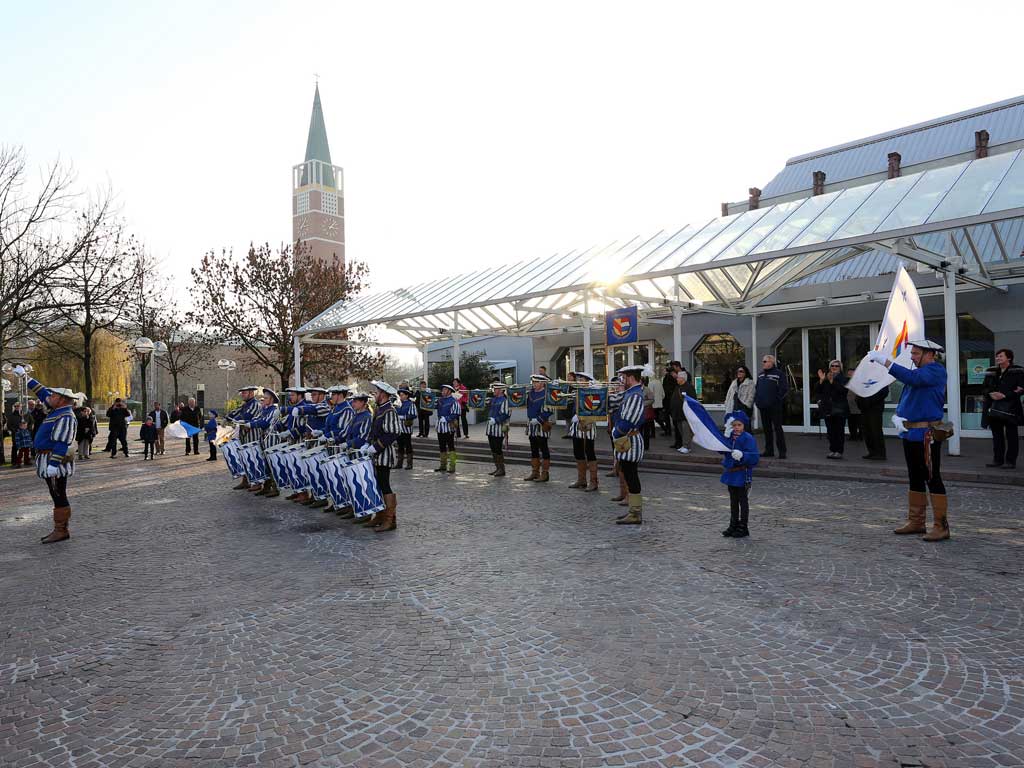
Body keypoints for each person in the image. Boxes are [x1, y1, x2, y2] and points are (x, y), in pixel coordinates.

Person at [868, 340, 950, 541]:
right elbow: (909, 397)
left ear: (930, 354)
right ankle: (917, 521)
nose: (912, 356)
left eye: (915, 353)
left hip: (926, 435)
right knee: (915, 476)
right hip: (911, 433)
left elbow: (912, 379)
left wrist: (886, 362)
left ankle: (942, 526)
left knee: (932, 477)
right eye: (912, 353)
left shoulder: (935, 370)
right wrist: (898, 415)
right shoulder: (920, 373)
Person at [16, 367, 78, 543]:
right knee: (55, 493)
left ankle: (61, 530)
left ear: (61, 399)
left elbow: (62, 442)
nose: (49, 397)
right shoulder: (57, 409)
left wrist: (54, 465)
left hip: (54, 461)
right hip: (48, 458)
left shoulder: (65, 416)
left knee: (59, 495)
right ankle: (60, 529)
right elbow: (43, 393)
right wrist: (26, 378)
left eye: (53, 396)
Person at [362, 381, 401, 532]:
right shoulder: (379, 409)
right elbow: (374, 430)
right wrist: (368, 444)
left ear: (383, 395)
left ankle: (390, 520)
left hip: (384, 454)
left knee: (385, 485)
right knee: (376, 485)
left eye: (377, 393)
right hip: (376, 454)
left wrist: (376, 446)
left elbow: (393, 432)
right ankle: (380, 515)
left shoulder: (389, 411)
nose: (375, 395)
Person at [611, 365, 647, 525]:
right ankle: (633, 510)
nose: (621, 380)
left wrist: (616, 432)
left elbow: (628, 421)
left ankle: (635, 513)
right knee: (627, 473)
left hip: (630, 440)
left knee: (631, 476)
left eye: (623, 378)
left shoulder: (635, 395)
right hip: (627, 440)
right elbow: (614, 401)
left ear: (630, 378)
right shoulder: (631, 392)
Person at [720, 410, 760, 538]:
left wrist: (743, 455)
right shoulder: (730, 437)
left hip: (742, 474)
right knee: (733, 500)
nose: (736, 428)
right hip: (731, 474)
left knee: (743, 501)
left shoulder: (748, 438)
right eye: (734, 425)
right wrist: (724, 440)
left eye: (739, 425)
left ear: (744, 426)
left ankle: (743, 526)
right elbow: (721, 451)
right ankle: (733, 524)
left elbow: (754, 457)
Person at [982, 348, 1024, 469]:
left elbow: (1021, 388)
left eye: (1001, 356)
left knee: (1011, 436)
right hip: (994, 408)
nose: (998, 358)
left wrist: (1005, 395)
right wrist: (990, 393)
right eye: (997, 356)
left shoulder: (1018, 371)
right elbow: (984, 387)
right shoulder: (991, 371)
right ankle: (997, 460)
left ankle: (1010, 461)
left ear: (1009, 358)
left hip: (1011, 408)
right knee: (997, 435)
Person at [243, 389, 284, 498]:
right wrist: (246, 422)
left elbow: (265, 422)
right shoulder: (265, 409)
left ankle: (275, 488)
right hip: (264, 439)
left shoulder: (274, 410)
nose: (264, 399)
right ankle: (266, 487)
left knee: (272, 463)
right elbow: (257, 418)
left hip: (272, 439)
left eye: (266, 398)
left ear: (271, 399)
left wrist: (251, 425)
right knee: (266, 463)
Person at [567, 372, 599, 491]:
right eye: (579, 379)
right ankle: (581, 480)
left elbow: (595, 409)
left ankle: (594, 481)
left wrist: (580, 417)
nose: (579, 381)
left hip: (588, 425)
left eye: (582, 379)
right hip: (577, 427)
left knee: (590, 452)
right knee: (578, 452)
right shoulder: (576, 392)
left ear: (588, 381)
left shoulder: (593, 393)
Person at [755, 354, 788, 459]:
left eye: (765, 361)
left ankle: (782, 452)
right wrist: (757, 401)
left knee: (778, 429)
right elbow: (757, 389)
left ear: (771, 362)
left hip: (775, 407)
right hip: (763, 407)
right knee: (767, 430)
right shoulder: (760, 375)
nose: (763, 363)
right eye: (763, 361)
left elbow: (784, 389)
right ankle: (769, 450)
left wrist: (776, 400)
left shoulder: (779, 374)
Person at [816, 359, 849, 459]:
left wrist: (832, 381)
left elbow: (843, 391)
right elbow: (818, 390)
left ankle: (839, 451)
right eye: (832, 366)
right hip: (828, 409)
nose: (834, 368)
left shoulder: (844, 379)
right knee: (830, 431)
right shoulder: (826, 378)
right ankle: (832, 450)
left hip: (839, 409)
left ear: (840, 368)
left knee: (839, 431)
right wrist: (821, 380)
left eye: (836, 366)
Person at [523, 374, 553, 482]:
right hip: (531, 424)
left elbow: (550, 410)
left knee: (544, 448)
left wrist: (539, 419)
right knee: (533, 449)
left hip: (542, 424)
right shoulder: (530, 394)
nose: (534, 384)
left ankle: (545, 473)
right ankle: (535, 472)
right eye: (534, 382)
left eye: (536, 382)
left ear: (542, 383)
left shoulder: (547, 394)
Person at [856, 384, 889, 460]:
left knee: (876, 430)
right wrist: (859, 401)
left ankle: (880, 453)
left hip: (875, 408)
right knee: (867, 431)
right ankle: (872, 451)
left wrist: (871, 400)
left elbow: (884, 392)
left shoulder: (880, 378)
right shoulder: (864, 378)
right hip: (864, 408)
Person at [485, 381, 511, 477]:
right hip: (491, 428)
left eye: (495, 389)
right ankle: (497, 468)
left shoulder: (505, 400)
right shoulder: (493, 399)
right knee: (493, 449)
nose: (493, 390)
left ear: (500, 390)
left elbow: (506, 414)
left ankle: (501, 469)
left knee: (498, 448)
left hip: (499, 428)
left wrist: (496, 420)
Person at [434, 383, 461, 473]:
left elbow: (456, 413)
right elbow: (431, 406)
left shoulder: (453, 401)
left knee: (451, 447)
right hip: (440, 427)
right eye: (442, 390)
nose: (442, 391)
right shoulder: (440, 400)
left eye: (444, 390)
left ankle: (452, 466)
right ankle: (443, 465)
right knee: (441, 446)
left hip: (449, 427)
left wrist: (446, 418)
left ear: (449, 391)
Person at [668, 370, 694, 454]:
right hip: (677, 413)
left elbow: (692, 401)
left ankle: (687, 446)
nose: (677, 379)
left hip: (685, 414)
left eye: (678, 377)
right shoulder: (677, 387)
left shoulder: (689, 387)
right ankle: (684, 445)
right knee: (681, 430)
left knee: (686, 431)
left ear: (682, 378)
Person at [394, 386, 418, 469]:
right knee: (400, 445)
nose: (401, 396)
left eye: (403, 395)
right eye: (400, 395)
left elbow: (413, 414)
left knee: (408, 445)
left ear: (407, 395)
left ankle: (409, 463)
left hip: (406, 428)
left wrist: (403, 417)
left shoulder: (410, 404)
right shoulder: (398, 403)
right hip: (399, 428)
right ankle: (399, 463)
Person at [661, 364, 678, 436]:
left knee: (667, 416)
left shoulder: (668, 378)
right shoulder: (671, 378)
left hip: (668, 400)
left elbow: (666, 389)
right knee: (670, 416)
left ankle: (669, 431)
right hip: (670, 399)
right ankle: (671, 430)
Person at [845, 371, 862, 441]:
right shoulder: (846, 382)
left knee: (859, 422)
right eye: (848, 374)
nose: (849, 375)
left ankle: (861, 436)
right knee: (851, 423)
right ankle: (853, 435)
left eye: (851, 373)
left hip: (857, 406)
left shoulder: (859, 382)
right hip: (849, 406)